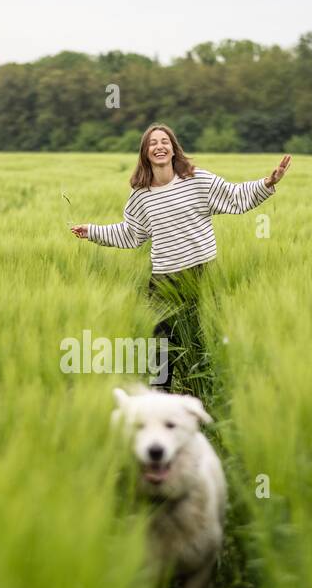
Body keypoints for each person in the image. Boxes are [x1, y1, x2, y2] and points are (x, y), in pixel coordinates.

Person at [70, 122, 291, 392]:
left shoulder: (197, 179)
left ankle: (205, 394)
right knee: (160, 347)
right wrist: (92, 231)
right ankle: (160, 400)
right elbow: (131, 234)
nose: (159, 146)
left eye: (164, 141)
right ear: (145, 153)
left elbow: (235, 198)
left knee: (206, 338)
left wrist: (268, 183)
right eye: (153, 143)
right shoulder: (140, 195)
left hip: (202, 275)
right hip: (165, 280)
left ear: (174, 149)